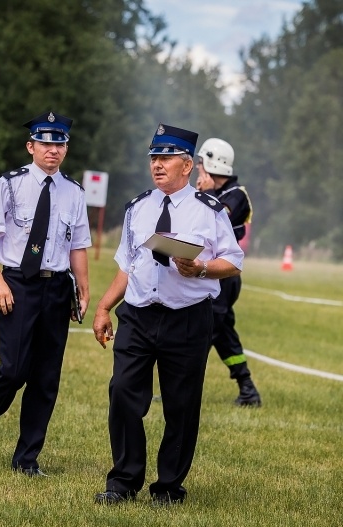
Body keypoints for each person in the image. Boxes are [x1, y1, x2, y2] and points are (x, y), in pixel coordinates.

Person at [91, 123, 245, 506]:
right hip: (138, 315)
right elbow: (127, 266)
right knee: (123, 392)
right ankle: (123, 483)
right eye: (153, 158)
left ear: (187, 165)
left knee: (181, 405)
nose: (157, 165)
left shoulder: (209, 211)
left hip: (188, 318)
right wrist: (104, 306)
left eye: (166, 158)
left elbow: (234, 262)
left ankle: (168, 488)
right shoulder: (137, 208)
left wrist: (202, 268)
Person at [0, 111, 91, 476]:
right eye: (45, 144)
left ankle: (26, 459)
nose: (53, 150)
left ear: (66, 149)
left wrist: (83, 289)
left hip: (57, 287)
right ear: (30, 146)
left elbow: (78, 245)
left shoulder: (74, 193)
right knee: (14, 369)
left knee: (46, 378)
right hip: (18, 284)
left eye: (59, 144)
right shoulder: (10, 184)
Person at [195, 138, 262, 407]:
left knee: (202, 332)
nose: (197, 168)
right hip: (209, 273)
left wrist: (206, 194)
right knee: (223, 334)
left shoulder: (237, 195)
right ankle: (248, 390)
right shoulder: (213, 193)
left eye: (201, 163)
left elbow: (216, 220)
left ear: (213, 164)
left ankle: (180, 389)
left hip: (224, 276)